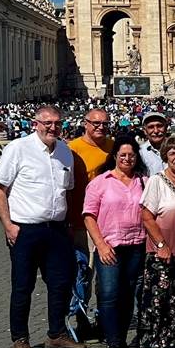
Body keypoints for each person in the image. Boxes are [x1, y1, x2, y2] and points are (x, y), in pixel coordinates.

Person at [0, 105, 87, 348]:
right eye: (47, 123)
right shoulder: (18, 148)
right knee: (22, 285)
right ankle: (20, 338)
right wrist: (8, 225)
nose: (52, 127)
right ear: (36, 123)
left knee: (61, 284)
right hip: (25, 229)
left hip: (56, 228)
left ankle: (56, 334)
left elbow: (67, 191)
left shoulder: (65, 152)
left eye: (57, 123)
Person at [83, 134, 148, 348]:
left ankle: (120, 339)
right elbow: (89, 216)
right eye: (123, 155)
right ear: (115, 157)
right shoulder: (100, 182)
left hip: (137, 245)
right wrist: (100, 244)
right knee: (109, 294)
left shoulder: (144, 181)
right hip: (109, 246)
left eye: (131, 155)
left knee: (128, 294)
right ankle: (112, 342)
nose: (127, 159)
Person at [138, 135, 175, 348]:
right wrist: (161, 244)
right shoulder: (156, 181)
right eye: (172, 153)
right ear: (165, 157)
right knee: (160, 298)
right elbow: (147, 217)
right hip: (162, 248)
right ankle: (156, 341)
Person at [67, 107, 114, 252]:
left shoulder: (114, 147)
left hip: (110, 221)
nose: (101, 127)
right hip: (81, 220)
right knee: (85, 268)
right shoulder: (72, 148)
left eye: (105, 124)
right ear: (85, 124)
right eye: (96, 123)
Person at [138, 112, 169, 176]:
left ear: (166, 128)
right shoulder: (140, 153)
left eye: (159, 126)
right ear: (145, 131)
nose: (156, 131)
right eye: (151, 127)